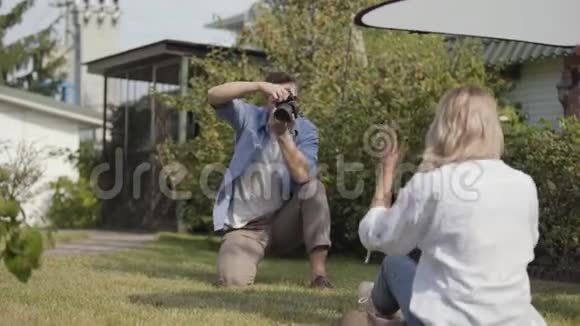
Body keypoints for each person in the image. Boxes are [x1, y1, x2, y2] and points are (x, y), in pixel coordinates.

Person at [356, 86, 546, 325]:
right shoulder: (524, 185)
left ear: (442, 127)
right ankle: (379, 307)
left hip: (449, 319)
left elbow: (375, 234)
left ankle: (374, 305)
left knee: (385, 275)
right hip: (514, 319)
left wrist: (387, 172)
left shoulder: (432, 184)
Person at [207, 72, 333, 288]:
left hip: (283, 223)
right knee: (233, 282)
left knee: (314, 188)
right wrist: (257, 85)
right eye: (278, 96)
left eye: (290, 98)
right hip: (246, 228)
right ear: (268, 99)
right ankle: (238, 263)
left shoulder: (306, 130)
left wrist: (283, 136)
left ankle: (319, 276)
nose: (284, 102)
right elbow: (213, 96)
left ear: (298, 102)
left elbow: (303, 176)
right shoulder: (249, 117)